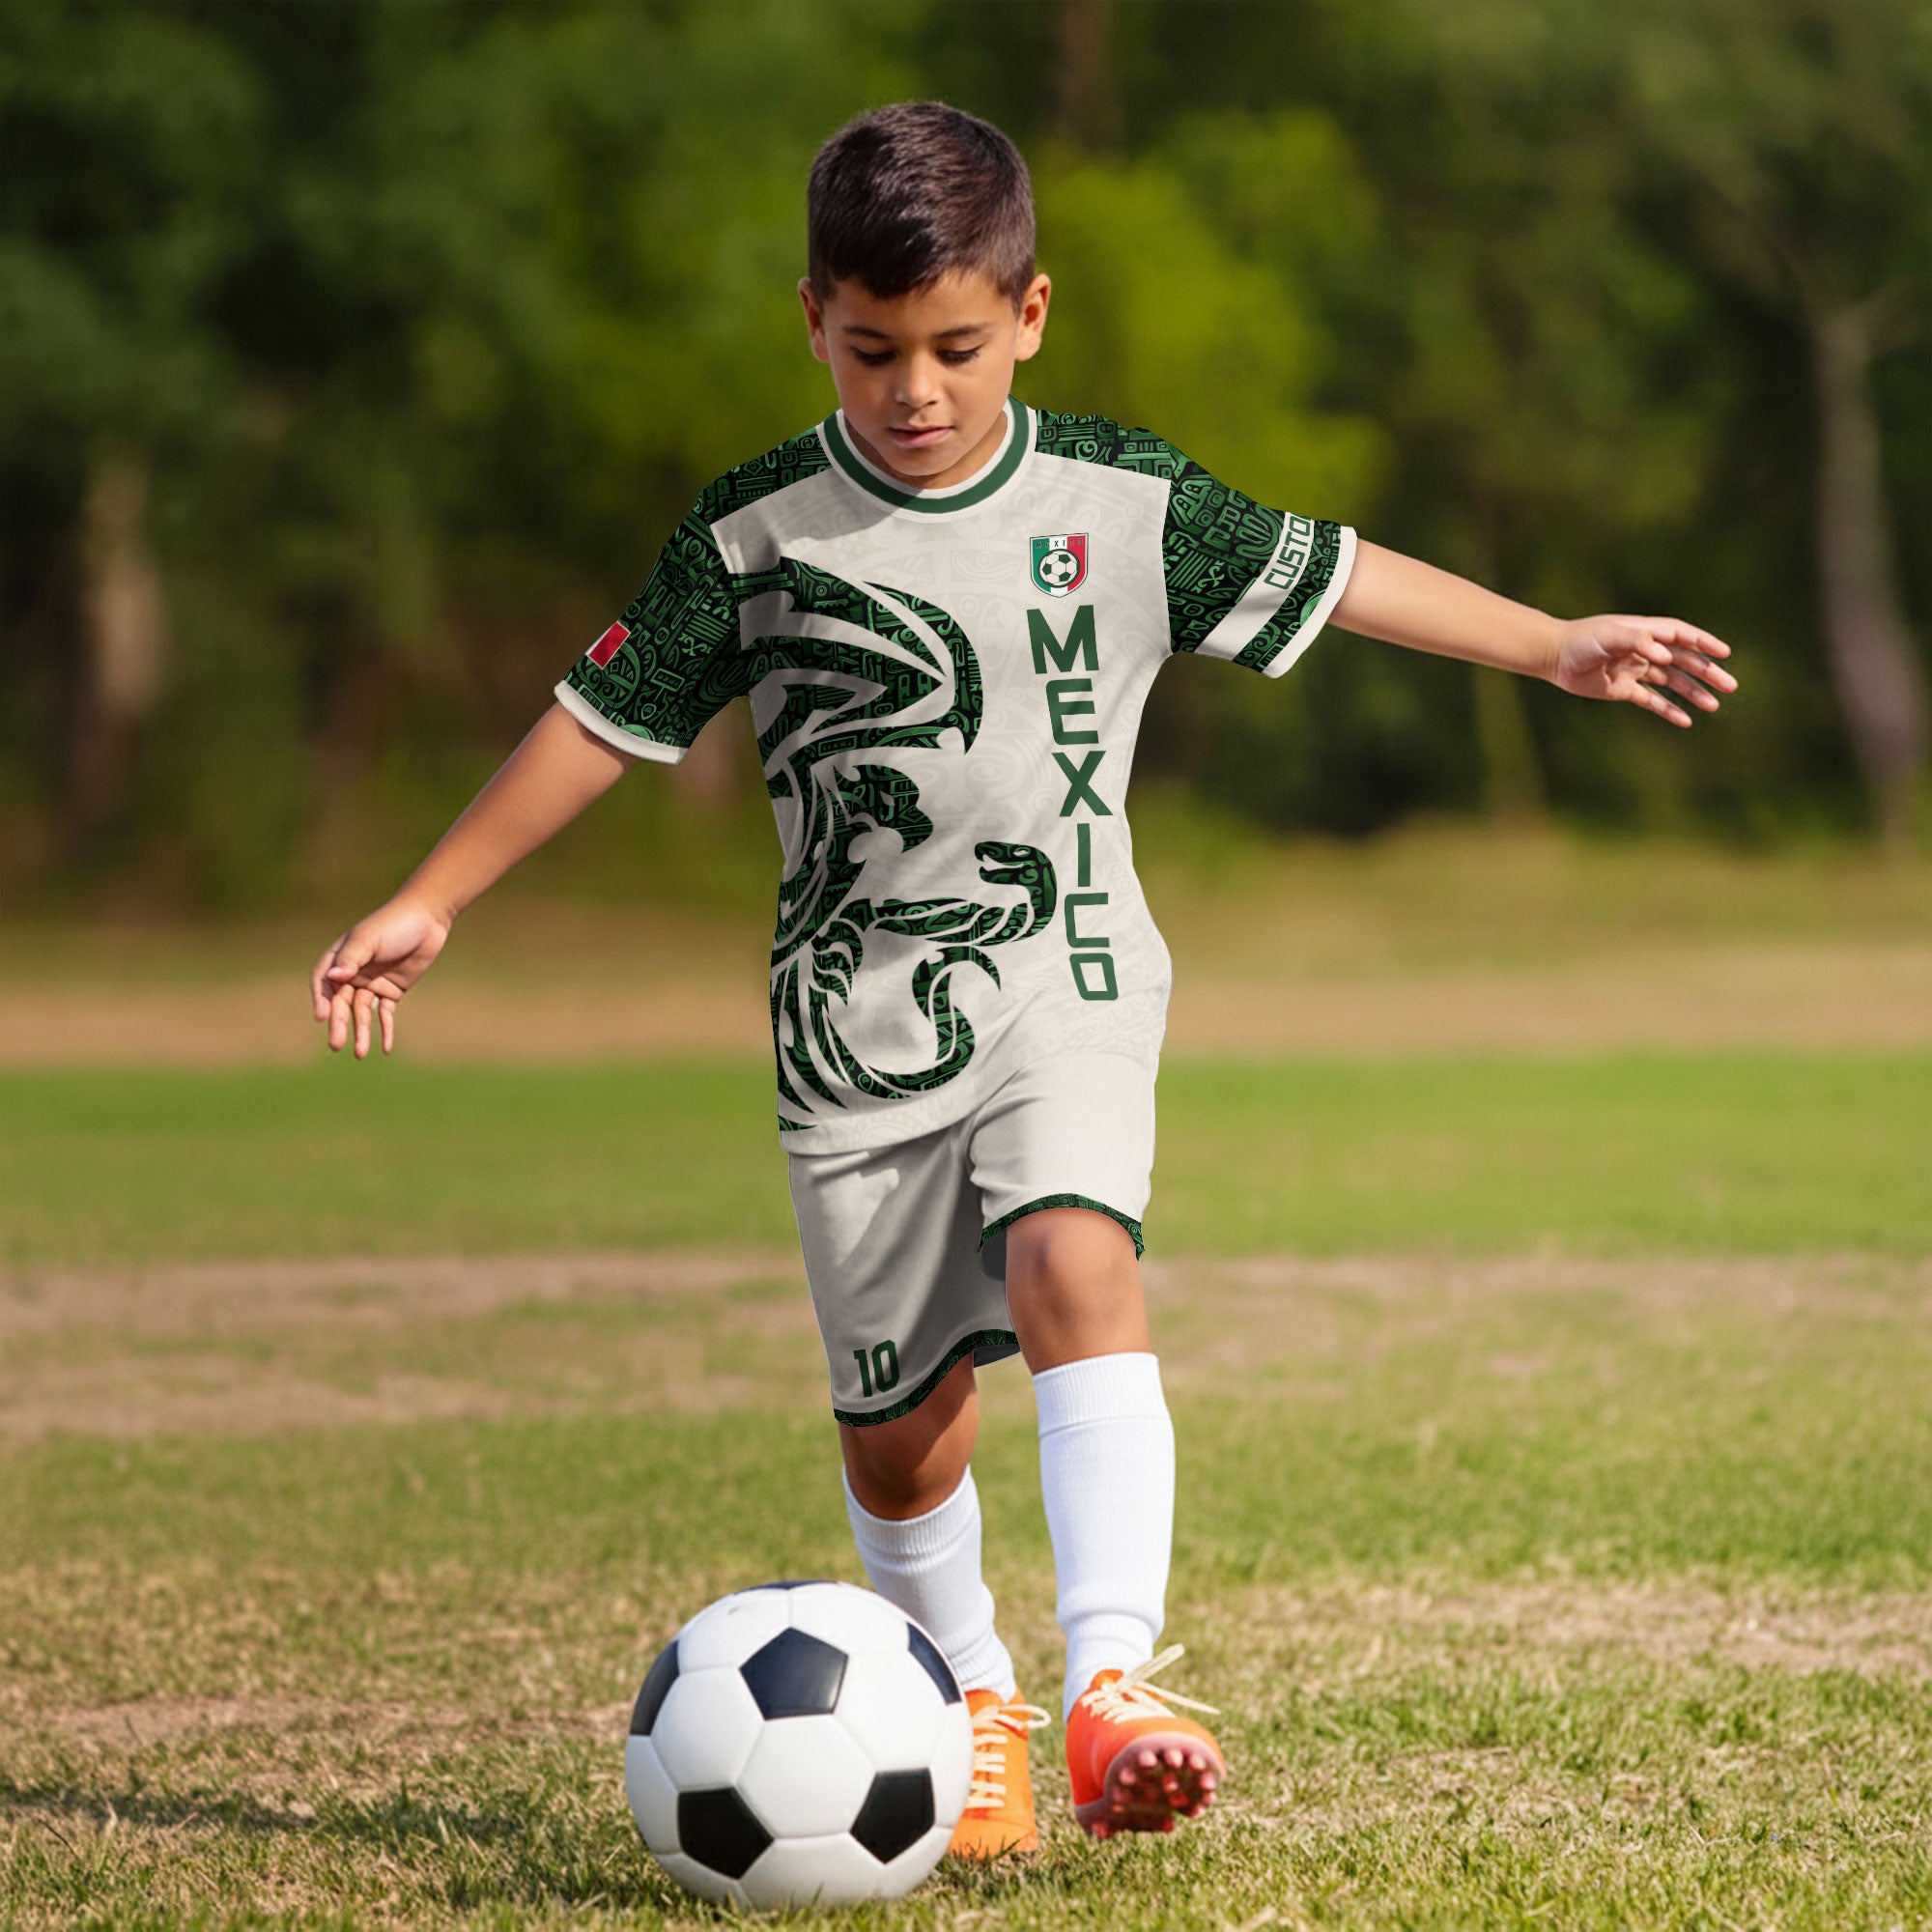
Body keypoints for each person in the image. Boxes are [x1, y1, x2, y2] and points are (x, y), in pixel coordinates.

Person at [311, 100, 1736, 1858]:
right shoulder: (755, 536)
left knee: (1076, 1253)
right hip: (852, 1030)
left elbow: (1342, 572)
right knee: (905, 1440)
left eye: (958, 348)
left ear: (1032, 315)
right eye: (874, 349)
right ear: (815, 324)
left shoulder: (1123, 501)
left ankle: (1111, 1685)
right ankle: (971, 1690)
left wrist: (1555, 643)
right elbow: (601, 724)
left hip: (1067, 972)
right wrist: (431, 896)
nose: (917, 388)